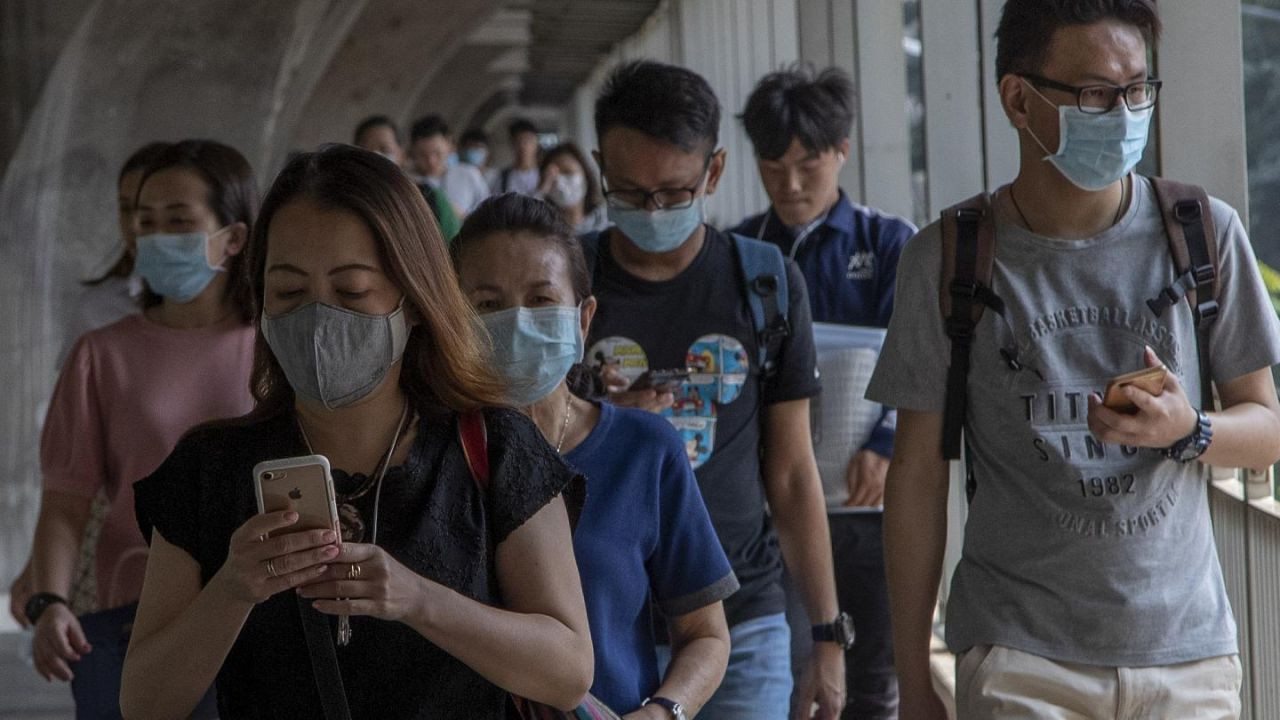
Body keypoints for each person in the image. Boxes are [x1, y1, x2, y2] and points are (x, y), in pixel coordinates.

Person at [867, 2, 1280, 718]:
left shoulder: (1203, 232)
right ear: (1018, 98)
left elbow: (1269, 426)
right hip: (1020, 654)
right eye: (1094, 93)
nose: (1122, 114)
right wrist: (911, 675)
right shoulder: (950, 257)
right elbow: (915, 475)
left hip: (1186, 654)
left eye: (1137, 89)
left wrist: (1190, 431)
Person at [121, 145, 593, 720]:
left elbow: (568, 671)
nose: (318, 320)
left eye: (351, 292)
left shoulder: (494, 447)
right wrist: (233, 589)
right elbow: (144, 701)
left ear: (414, 299)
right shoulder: (210, 467)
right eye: (290, 292)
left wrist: (418, 599)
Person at [584, 60, 847, 719]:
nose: (652, 211)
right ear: (599, 170)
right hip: (595, 621)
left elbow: (790, 474)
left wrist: (826, 632)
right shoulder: (558, 282)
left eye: (674, 193)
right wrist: (593, 420)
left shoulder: (763, 283)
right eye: (630, 192)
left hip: (741, 619)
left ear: (715, 172)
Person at [453, 192, 735, 718]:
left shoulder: (643, 450)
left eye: (540, 300)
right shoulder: (431, 453)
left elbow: (705, 632)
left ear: (583, 320)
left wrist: (663, 711)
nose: (515, 322)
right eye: (488, 305)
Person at [26, 139, 259, 718]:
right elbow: (65, 500)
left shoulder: (276, 353)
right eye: (145, 221)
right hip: (128, 615)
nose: (155, 237)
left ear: (234, 237)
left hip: (256, 616)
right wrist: (49, 601)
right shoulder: (101, 355)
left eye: (179, 222)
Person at [732, 64, 915, 720]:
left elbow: (923, 358)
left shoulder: (891, 245)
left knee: (871, 681)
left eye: (808, 163)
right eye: (772, 165)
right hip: (770, 510)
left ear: (842, 151)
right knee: (779, 671)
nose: (790, 183)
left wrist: (890, 441)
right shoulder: (741, 251)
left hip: (868, 506)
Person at [8, 142, 172, 629]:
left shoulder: (244, 328)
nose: (139, 226)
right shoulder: (99, 315)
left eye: (166, 214)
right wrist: (41, 574)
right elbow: (71, 458)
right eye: (128, 209)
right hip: (113, 541)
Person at [353, 115, 461, 240]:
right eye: (365, 150)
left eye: (385, 149)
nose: (375, 155)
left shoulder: (430, 199)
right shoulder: (341, 200)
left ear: (401, 154)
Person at [408, 114, 491, 216]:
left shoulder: (469, 174)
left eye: (437, 153)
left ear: (449, 145)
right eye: (423, 155)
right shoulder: (408, 181)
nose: (431, 161)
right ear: (413, 151)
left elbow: (488, 213)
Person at [535, 143, 609, 236]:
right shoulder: (544, 228)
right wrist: (541, 191)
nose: (559, 182)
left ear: (585, 175)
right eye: (552, 176)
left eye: (567, 172)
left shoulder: (606, 220)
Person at [496, 118, 542, 195]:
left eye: (528, 140)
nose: (523, 146)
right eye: (518, 141)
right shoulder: (503, 177)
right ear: (512, 144)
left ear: (537, 143)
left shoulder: (544, 174)